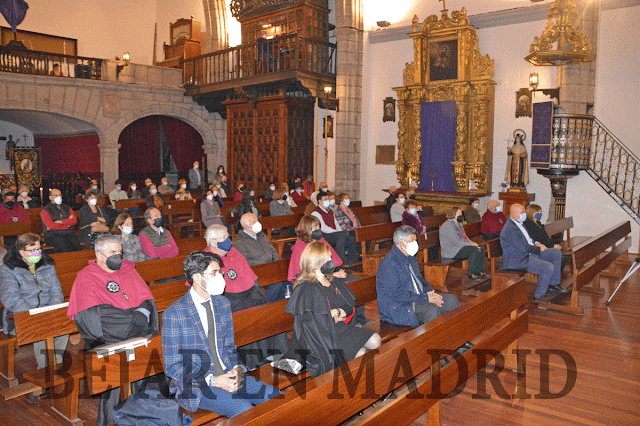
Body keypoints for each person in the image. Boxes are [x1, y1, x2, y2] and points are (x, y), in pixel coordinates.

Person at [162, 251, 281, 418]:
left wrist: (237, 369)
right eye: (214, 273)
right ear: (197, 277)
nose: (221, 277)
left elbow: (229, 347)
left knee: (274, 396)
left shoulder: (223, 303)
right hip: (197, 385)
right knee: (243, 409)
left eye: (221, 272)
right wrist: (213, 380)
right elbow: (172, 366)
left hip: (228, 374)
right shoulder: (175, 313)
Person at [67, 235, 160, 426]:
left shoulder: (128, 270)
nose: (118, 256)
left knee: (147, 369)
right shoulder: (87, 276)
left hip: (137, 332)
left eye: (120, 252)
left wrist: (142, 312)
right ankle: (113, 420)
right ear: (99, 255)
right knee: (117, 376)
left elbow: (146, 298)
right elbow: (91, 315)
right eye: (113, 253)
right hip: (111, 338)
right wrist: (130, 322)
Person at [277, 242, 381, 378]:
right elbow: (309, 324)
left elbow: (349, 306)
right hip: (321, 339)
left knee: (376, 339)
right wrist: (330, 315)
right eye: (328, 258)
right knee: (363, 354)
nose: (331, 261)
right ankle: (369, 386)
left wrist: (337, 313)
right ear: (316, 262)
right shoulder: (306, 288)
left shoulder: (332, 281)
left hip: (340, 329)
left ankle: (373, 379)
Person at [204, 225, 287, 367]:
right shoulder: (205, 259)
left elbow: (250, 277)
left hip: (248, 292)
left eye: (227, 236)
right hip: (227, 297)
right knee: (247, 316)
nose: (228, 240)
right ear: (213, 242)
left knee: (270, 312)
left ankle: (279, 355)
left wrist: (261, 297)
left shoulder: (234, 252)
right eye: (223, 237)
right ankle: (256, 363)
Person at [0, 233, 69, 369]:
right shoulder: (9, 269)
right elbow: (11, 299)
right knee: (42, 329)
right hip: (20, 316)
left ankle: (57, 365)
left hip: (47, 312)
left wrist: (50, 309)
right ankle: (45, 371)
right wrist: (35, 314)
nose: (37, 253)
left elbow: (57, 291)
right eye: (32, 250)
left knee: (63, 326)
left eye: (38, 249)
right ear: (21, 252)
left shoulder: (47, 266)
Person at [377, 225, 460, 328]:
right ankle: (435, 342)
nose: (415, 243)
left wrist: (431, 292)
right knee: (431, 309)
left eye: (415, 240)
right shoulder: (389, 263)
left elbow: (419, 280)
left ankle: (456, 339)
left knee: (452, 300)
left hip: (416, 298)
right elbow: (396, 294)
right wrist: (425, 298)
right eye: (412, 240)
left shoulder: (410, 257)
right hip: (398, 307)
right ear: (402, 244)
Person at [500, 204, 564, 302]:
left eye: (524, 212)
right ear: (513, 214)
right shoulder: (509, 229)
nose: (524, 214)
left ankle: (553, 284)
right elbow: (523, 248)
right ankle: (539, 297)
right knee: (547, 267)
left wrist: (537, 243)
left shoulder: (519, 223)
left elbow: (529, 240)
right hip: (519, 259)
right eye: (522, 213)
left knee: (556, 252)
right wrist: (538, 249)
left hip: (529, 254)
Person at [288, 215, 345, 283]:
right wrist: (333, 275)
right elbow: (306, 273)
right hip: (308, 280)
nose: (318, 229)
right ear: (307, 229)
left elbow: (333, 258)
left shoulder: (320, 239)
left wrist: (338, 271)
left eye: (318, 227)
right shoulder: (300, 247)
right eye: (315, 227)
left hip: (323, 275)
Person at [439, 207, 489, 282]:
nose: (461, 215)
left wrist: (472, 243)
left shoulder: (458, 224)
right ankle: (471, 275)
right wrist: (470, 245)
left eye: (461, 213)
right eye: (459, 214)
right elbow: (455, 241)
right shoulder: (448, 225)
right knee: (474, 250)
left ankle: (478, 272)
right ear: (453, 214)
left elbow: (465, 237)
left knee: (480, 248)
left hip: (459, 247)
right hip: (451, 250)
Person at [523, 204, 571, 276]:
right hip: (539, 249)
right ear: (532, 213)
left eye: (541, 212)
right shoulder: (528, 224)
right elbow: (536, 240)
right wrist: (552, 246)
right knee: (562, 255)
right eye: (538, 212)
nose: (540, 214)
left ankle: (555, 276)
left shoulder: (538, 223)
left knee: (565, 252)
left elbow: (545, 237)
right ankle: (553, 277)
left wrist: (553, 244)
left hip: (545, 245)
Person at [311, 192, 358, 266]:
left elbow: (336, 224)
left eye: (328, 199)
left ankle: (351, 263)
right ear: (320, 201)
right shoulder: (316, 213)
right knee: (341, 235)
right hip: (324, 236)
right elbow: (323, 228)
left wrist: (339, 232)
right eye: (325, 199)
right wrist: (338, 233)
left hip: (335, 235)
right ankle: (340, 260)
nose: (327, 201)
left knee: (352, 240)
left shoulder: (330, 211)